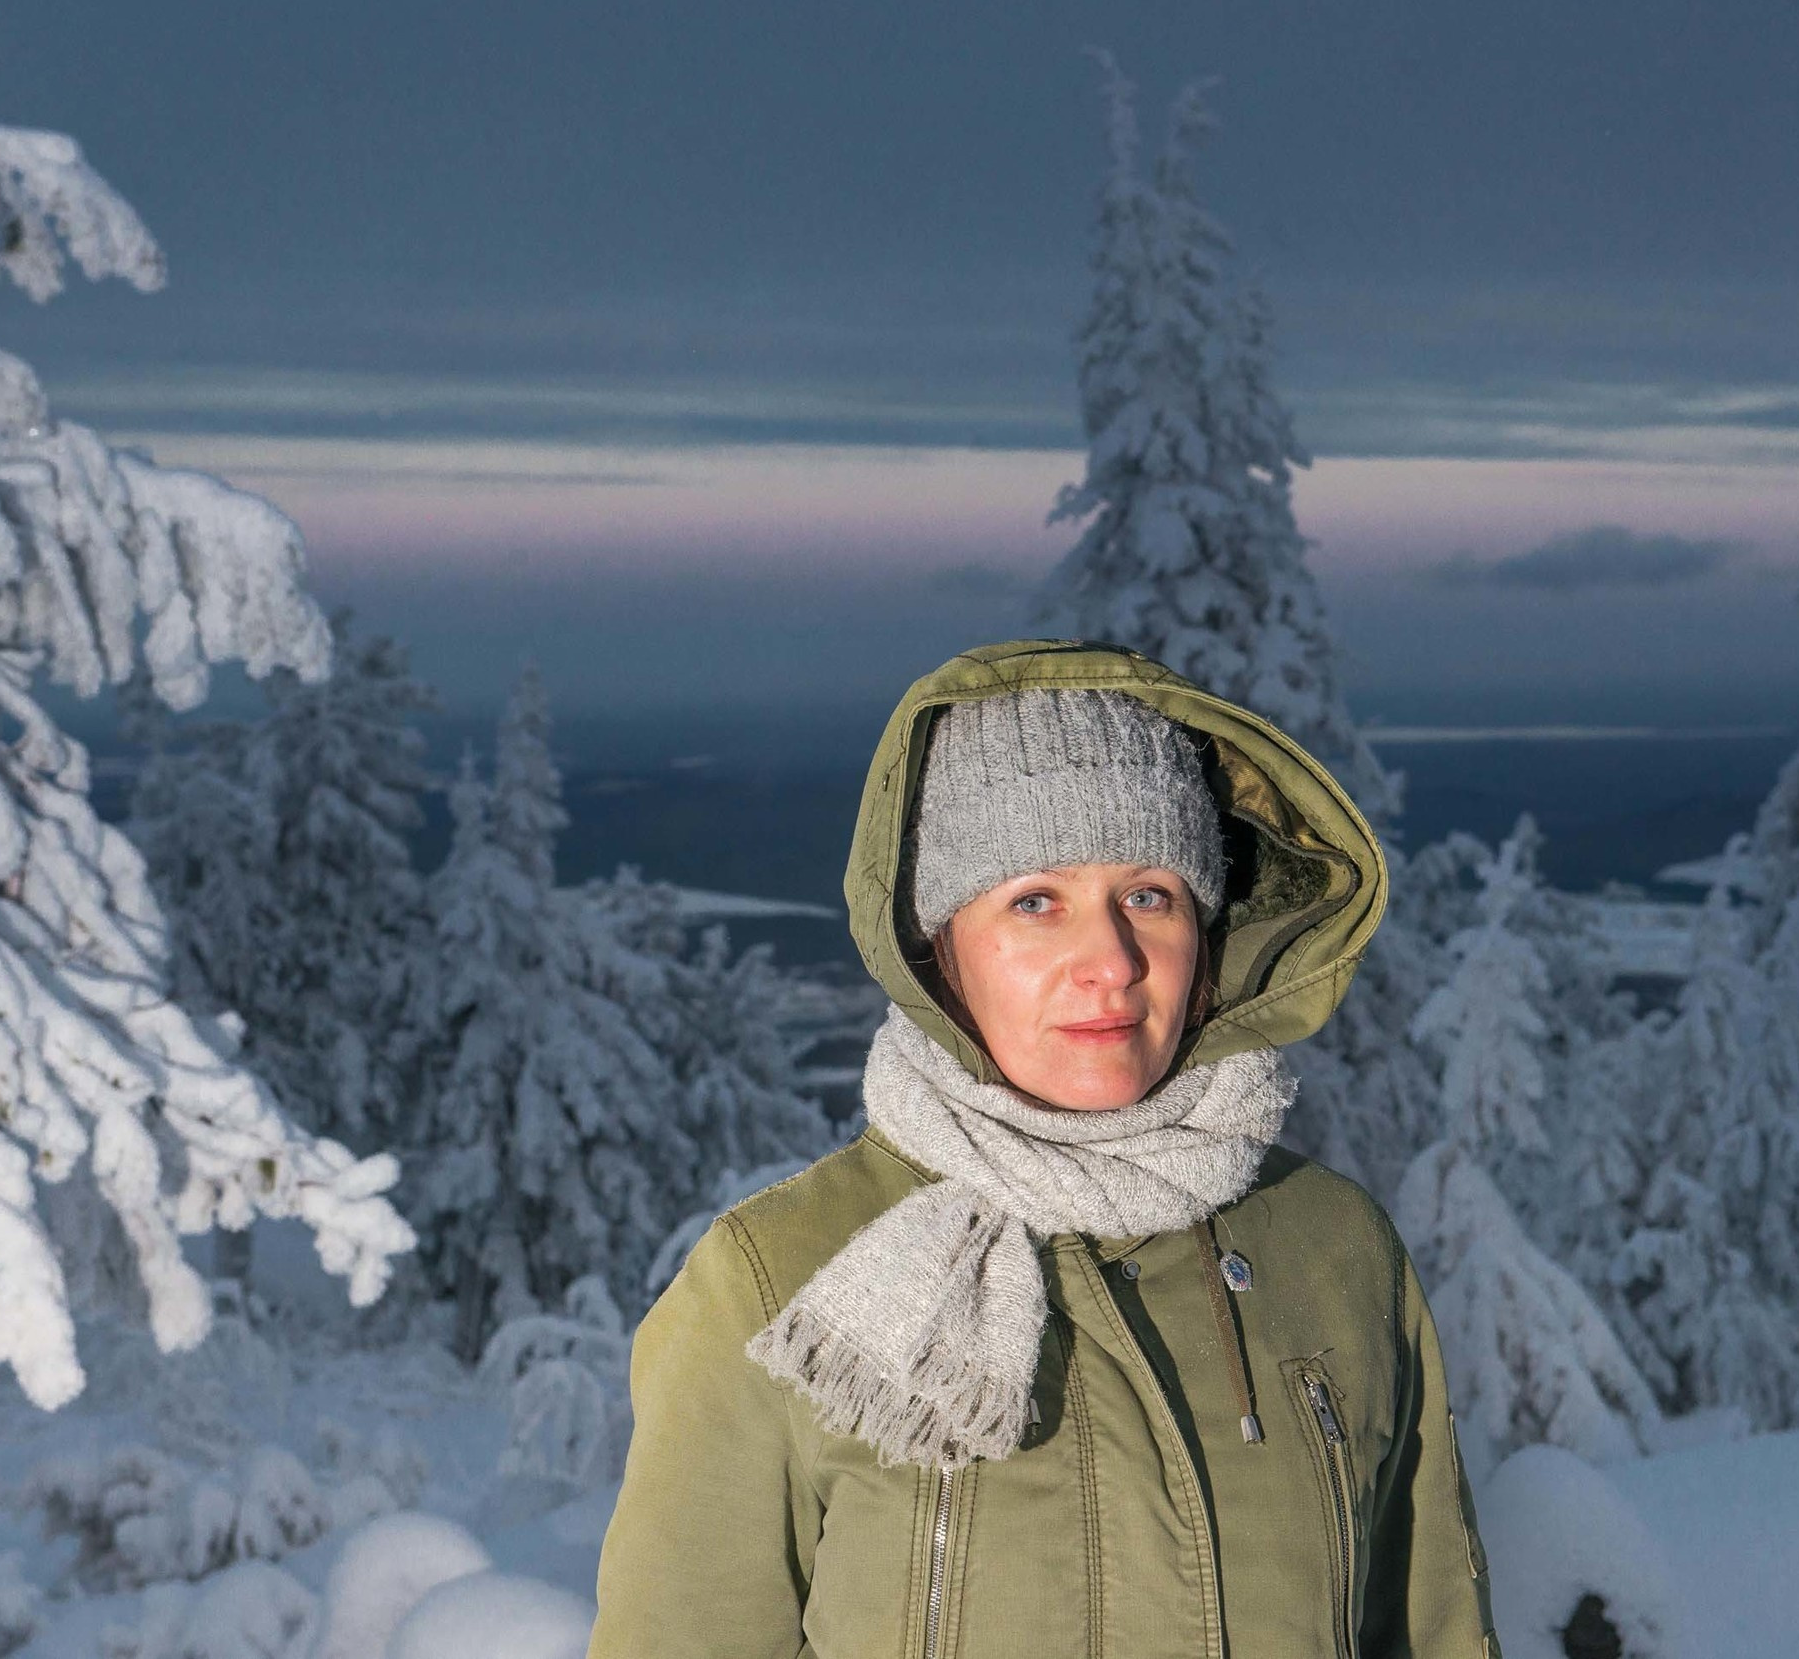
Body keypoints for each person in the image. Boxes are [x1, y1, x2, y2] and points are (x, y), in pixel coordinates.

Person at [589, 640, 1501, 1659]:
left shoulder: (1333, 1251)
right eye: (1035, 901)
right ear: (939, 946)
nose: (1108, 960)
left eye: (1149, 894)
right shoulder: (778, 1282)